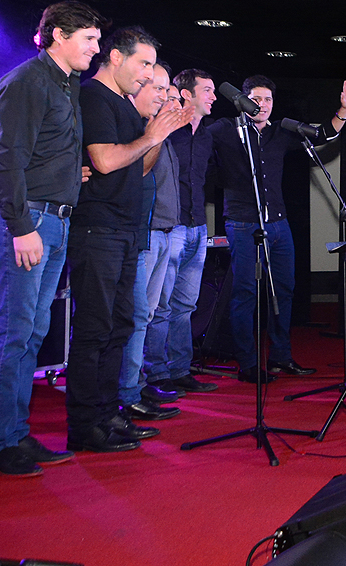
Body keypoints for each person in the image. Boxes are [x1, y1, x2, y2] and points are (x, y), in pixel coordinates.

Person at [0, 2, 105, 477]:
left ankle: (16, 433)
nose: (96, 48)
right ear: (57, 35)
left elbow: (38, 153)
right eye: (89, 39)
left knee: (31, 333)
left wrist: (70, 174)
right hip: (26, 222)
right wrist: (21, 228)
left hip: (52, 218)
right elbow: (5, 163)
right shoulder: (29, 80)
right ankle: (2, 443)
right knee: (13, 335)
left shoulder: (64, 83)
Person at [67, 26, 192, 454]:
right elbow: (103, 161)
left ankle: (108, 413)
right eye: (143, 64)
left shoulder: (123, 104)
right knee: (94, 328)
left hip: (125, 230)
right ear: (116, 58)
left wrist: (156, 132)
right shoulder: (93, 97)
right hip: (97, 229)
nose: (147, 75)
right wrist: (153, 134)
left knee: (119, 326)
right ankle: (85, 425)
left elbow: (135, 168)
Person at [209, 76, 346, 382]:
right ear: (243, 100)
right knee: (245, 292)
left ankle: (280, 357)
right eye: (256, 99)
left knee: (285, 290)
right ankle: (248, 363)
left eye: (268, 100)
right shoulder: (226, 129)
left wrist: (343, 110)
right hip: (242, 223)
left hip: (278, 223)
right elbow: (196, 141)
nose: (262, 105)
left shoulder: (281, 131)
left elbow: (323, 134)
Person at [145, 68, 220, 396]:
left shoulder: (206, 135)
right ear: (185, 94)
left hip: (197, 226)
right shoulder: (167, 130)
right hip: (168, 227)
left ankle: (180, 369)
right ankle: (156, 374)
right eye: (207, 90)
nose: (214, 97)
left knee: (186, 304)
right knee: (160, 306)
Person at [116, 63, 183, 422]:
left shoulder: (159, 131)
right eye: (159, 90)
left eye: (168, 92)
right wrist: (156, 133)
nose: (164, 98)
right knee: (135, 314)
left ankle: (134, 386)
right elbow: (139, 171)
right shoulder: (138, 126)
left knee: (147, 312)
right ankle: (127, 390)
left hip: (159, 231)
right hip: (138, 233)